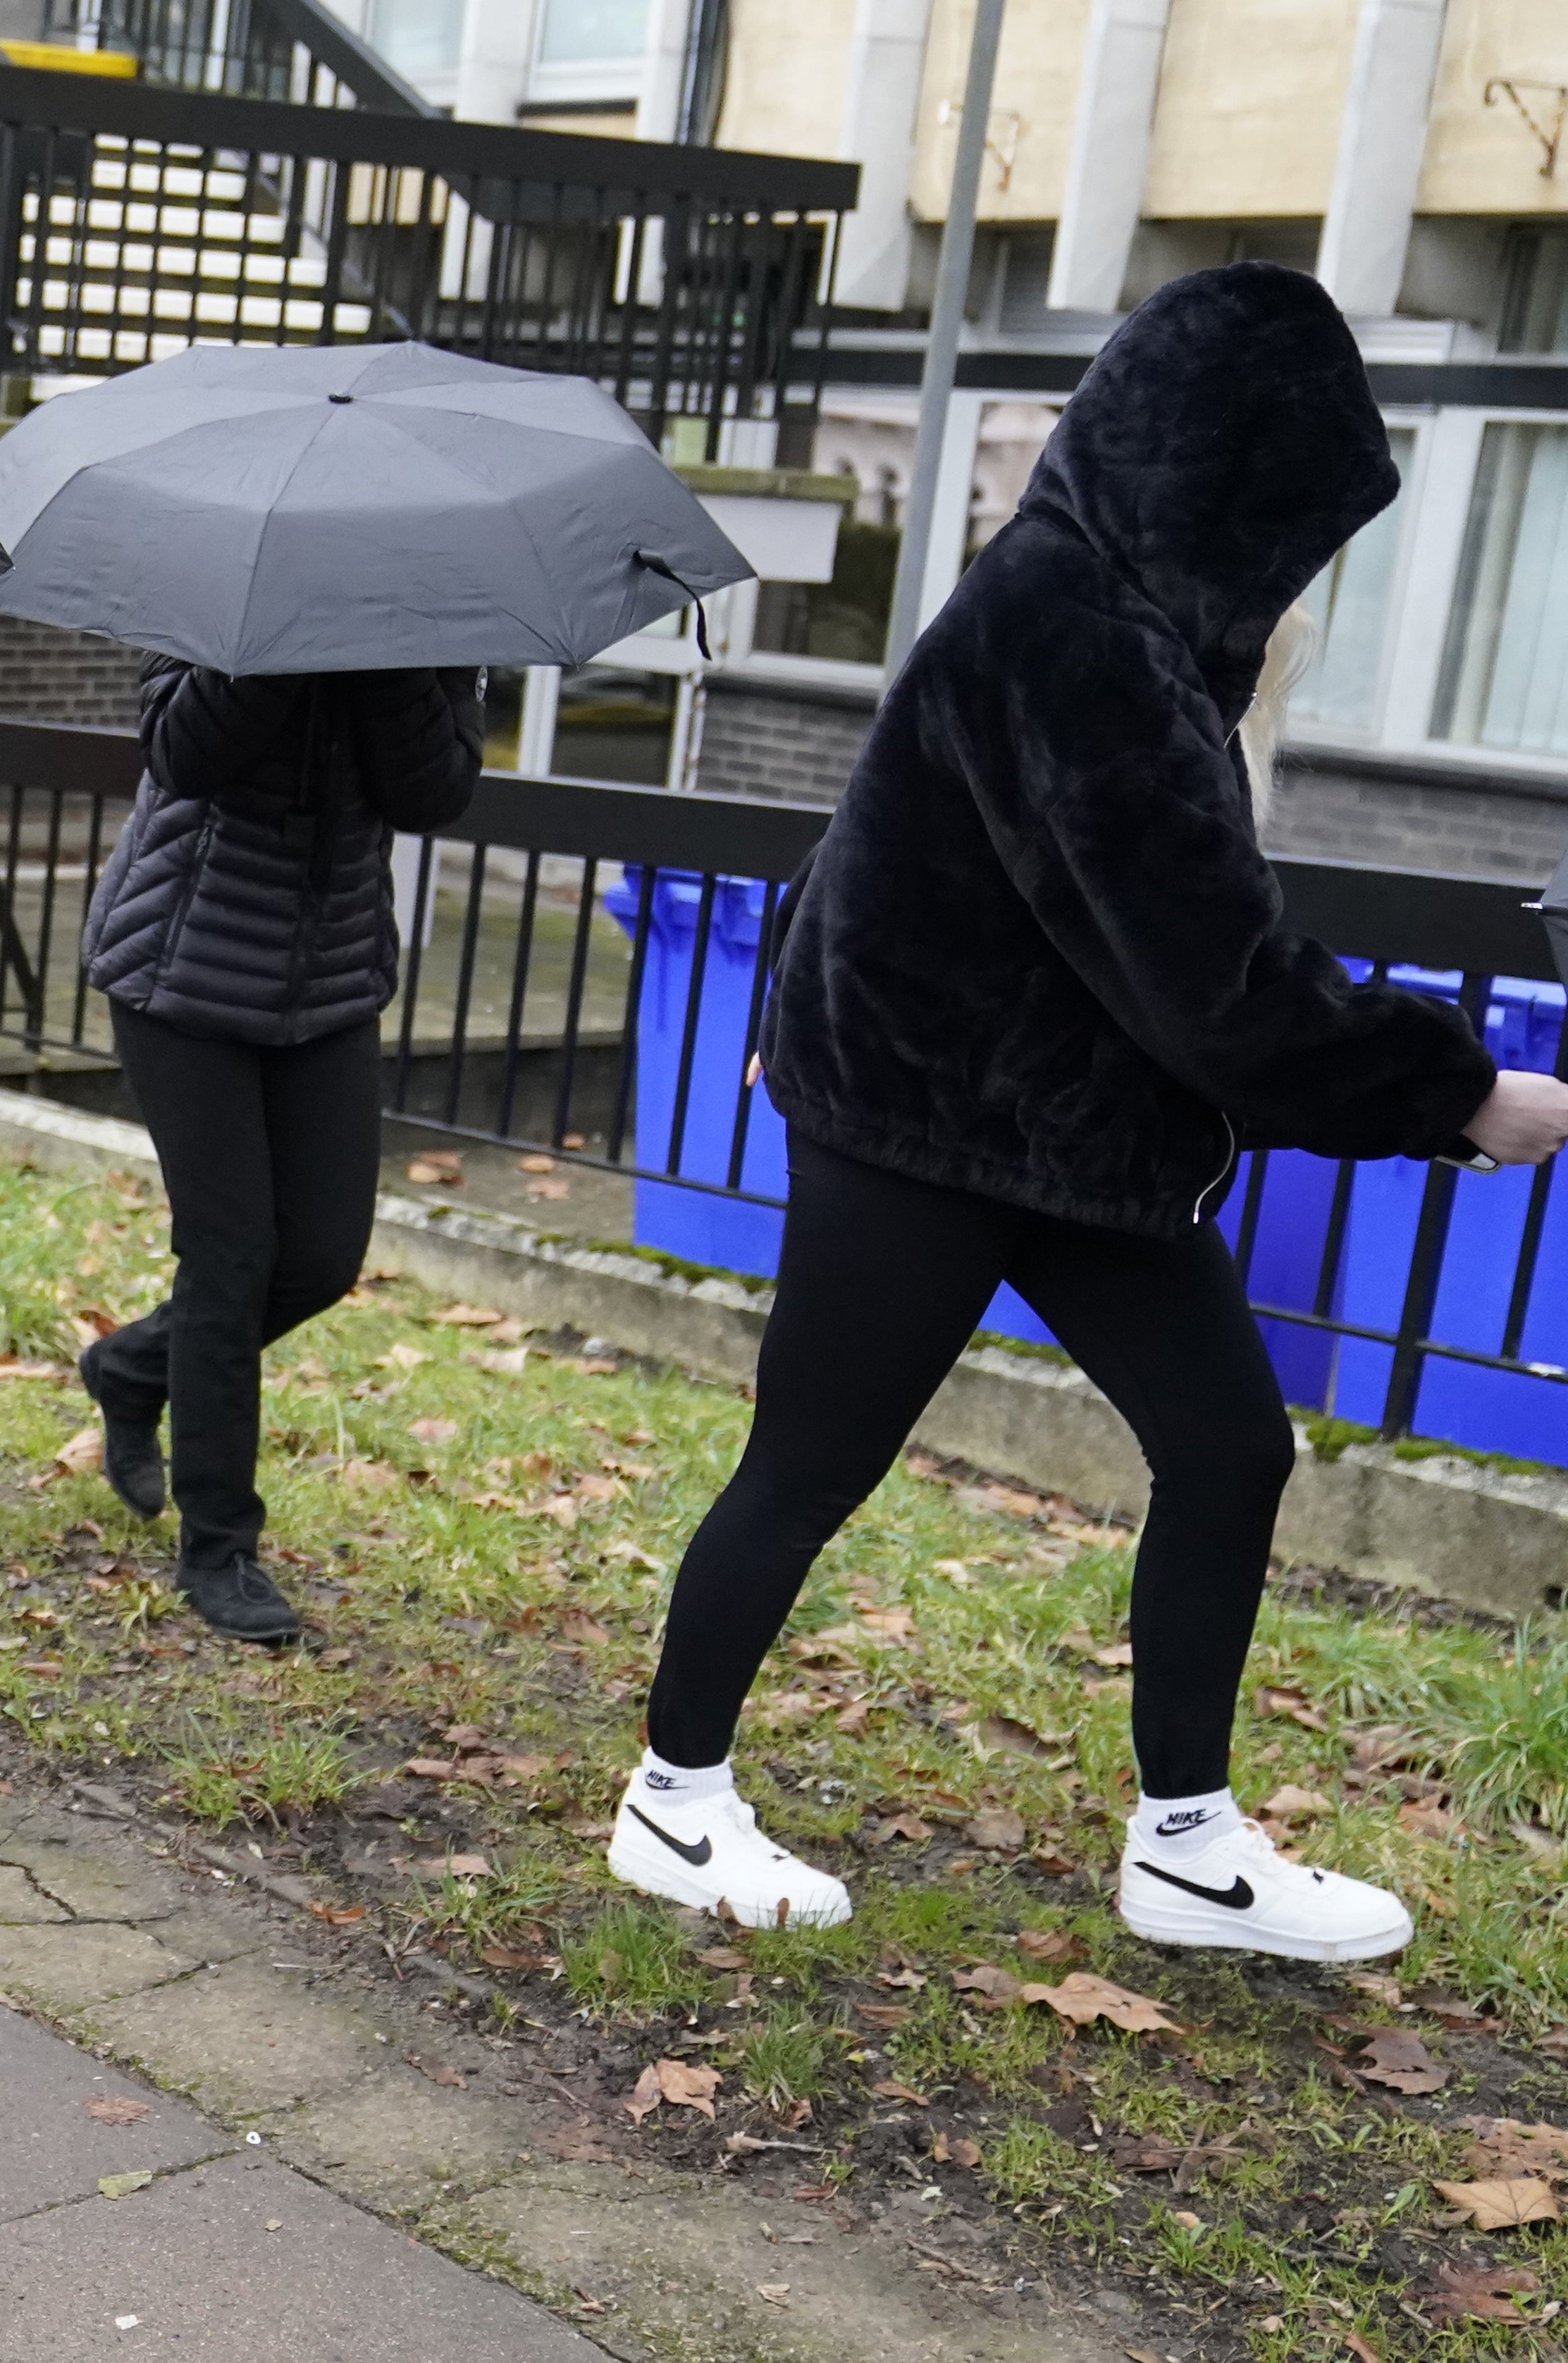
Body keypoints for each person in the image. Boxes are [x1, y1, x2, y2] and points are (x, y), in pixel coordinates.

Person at [607, 263, 1568, 1960]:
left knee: (1225, 1447)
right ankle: (671, 1800)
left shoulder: (1102, 612)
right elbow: (1213, 979)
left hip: (1067, 1134)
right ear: (1225, 482)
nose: (1303, 566)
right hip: (917, 1124)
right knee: (810, 1465)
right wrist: (1461, 1095)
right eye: (1297, 521)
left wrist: (778, 1009)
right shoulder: (1073, 630)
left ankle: (1183, 1848)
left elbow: (886, 822)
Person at [73, 660, 483, 1643]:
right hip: (183, 963)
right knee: (231, 1255)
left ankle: (131, 1369)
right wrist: (280, 653)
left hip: (328, 979)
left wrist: (393, 659)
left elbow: (432, 792)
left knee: (320, 1258)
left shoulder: (435, 629)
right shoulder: (228, 590)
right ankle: (219, 1546)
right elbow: (184, 754)